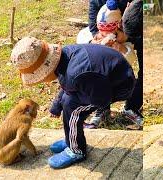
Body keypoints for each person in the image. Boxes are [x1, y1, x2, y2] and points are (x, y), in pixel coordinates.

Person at [11, 37, 135, 169]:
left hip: (116, 87)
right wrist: (57, 105)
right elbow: (68, 87)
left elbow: (100, 99)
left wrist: (73, 103)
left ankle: (77, 150)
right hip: (101, 79)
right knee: (68, 101)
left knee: (72, 109)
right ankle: (71, 139)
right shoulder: (65, 57)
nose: (43, 81)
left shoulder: (76, 74)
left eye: (42, 79)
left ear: (47, 70)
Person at [83, 1, 138, 129]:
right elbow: (92, 22)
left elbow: (131, 57)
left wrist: (122, 41)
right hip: (102, 54)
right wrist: (98, 37)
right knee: (99, 78)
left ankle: (131, 107)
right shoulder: (96, 3)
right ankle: (101, 109)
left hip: (126, 36)